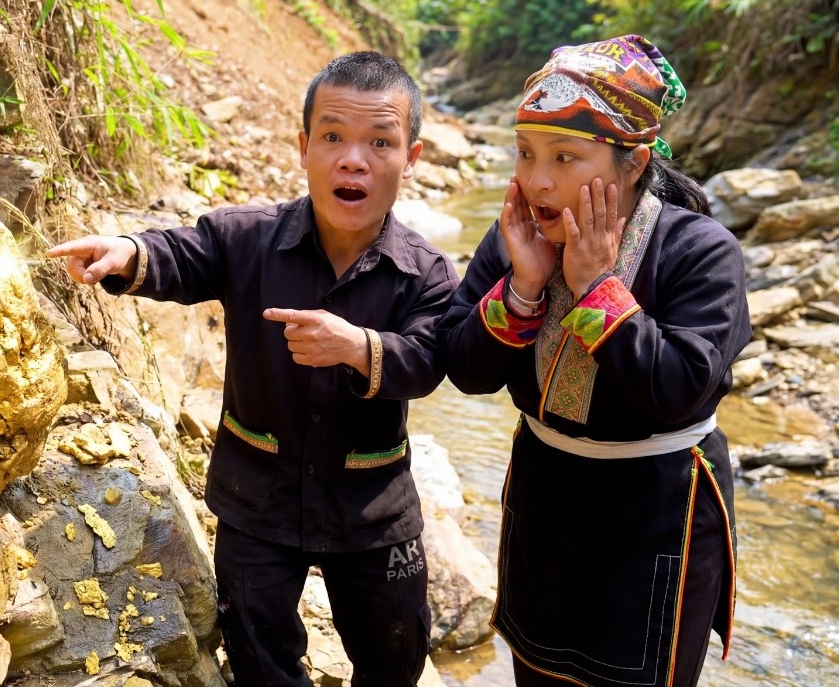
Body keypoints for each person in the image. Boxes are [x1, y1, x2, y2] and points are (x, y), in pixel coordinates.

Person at [47, 51, 459, 686]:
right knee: (259, 657)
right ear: (303, 148)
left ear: (412, 159)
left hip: (372, 511)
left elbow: (429, 360)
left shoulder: (426, 272)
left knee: (395, 658)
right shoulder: (247, 237)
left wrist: (358, 348)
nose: (353, 160)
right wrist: (127, 251)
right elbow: (183, 253)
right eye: (333, 137)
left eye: (381, 141)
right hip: (257, 497)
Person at [435, 34, 751, 687]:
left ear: (634, 164)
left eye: (565, 157)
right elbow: (465, 369)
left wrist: (595, 288)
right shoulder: (516, 238)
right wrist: (523, 288)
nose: (537, 180)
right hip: (544, 497)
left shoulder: (701, 251)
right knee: (538, 671)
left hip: (658, 510)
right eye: (526, 153)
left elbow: (679, 388)